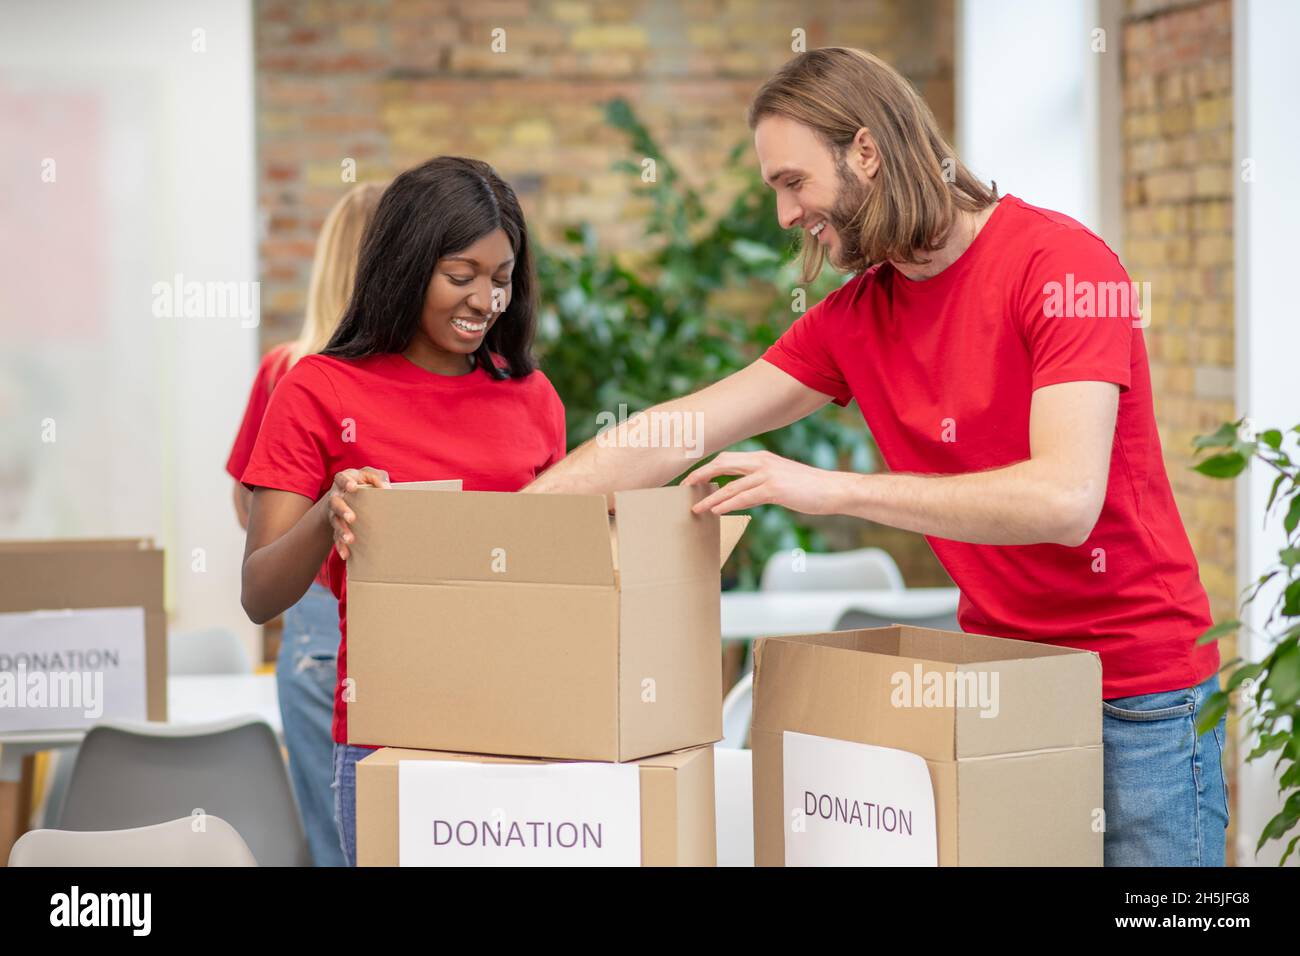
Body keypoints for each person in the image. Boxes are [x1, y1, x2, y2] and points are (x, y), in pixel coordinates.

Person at [525, 48, 1227, 867]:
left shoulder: (1060, 267)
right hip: (996, 681)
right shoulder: (858, 317)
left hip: (1134, 693)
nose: (786, 215)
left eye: (793, 182)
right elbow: (679, 428)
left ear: (865, 151)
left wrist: (833, 490)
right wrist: (497, 532)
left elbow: (1064, 502)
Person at [238, 157, 566, 866]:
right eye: (461, 276)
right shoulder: (319, 390)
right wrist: (331, 511)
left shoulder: (532, 397)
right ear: (406, 265)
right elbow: (259, 593)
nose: (486, 300)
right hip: (392, 739)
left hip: (527, 730)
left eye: (502, 278)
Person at [225, 182, 382, 867]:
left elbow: (247, 504)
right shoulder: (401, 380)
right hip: (394, 617)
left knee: (335, 841)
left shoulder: (286, 369)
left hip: (315, 619)